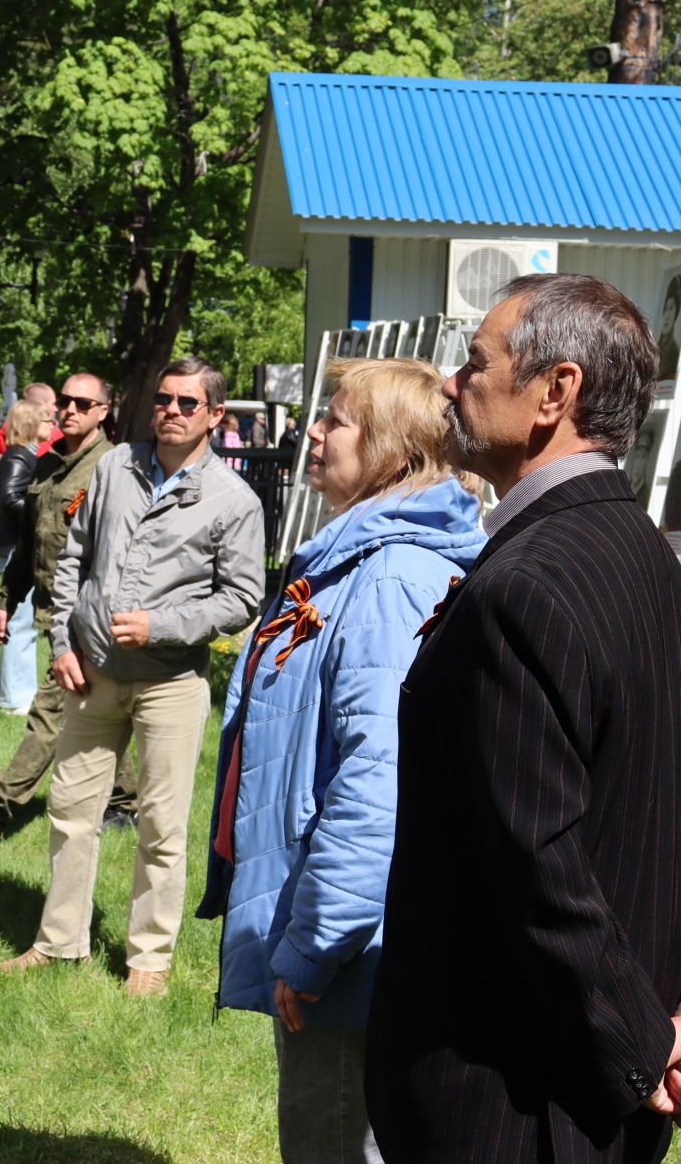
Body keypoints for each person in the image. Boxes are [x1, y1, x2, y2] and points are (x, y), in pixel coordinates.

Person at [366, 273, 681, 1160]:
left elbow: (536, 859)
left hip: (506, 1095)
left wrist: (646, 1036)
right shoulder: (653, 567)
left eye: (476, 363)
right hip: (603, 1088)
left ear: (555, 392)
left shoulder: (523, 587)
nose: (453, 383)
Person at [197, 357, 486, 1164]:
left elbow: (380, 780)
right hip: (338, 935)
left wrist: (318, 945)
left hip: (355, 951)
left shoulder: (391, 578)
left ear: (392, 449)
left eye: (337, 419)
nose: (314, 431)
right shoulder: (355, 560)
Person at [0, 357, 264, 999]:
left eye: (187, 404)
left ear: (214, 417)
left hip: (170, 682)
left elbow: (244, 597)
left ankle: (148, 959)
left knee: (162, 827)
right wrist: (63, 641)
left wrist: (163, 624)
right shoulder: (115, 466)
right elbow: (73, 559)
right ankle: (59, 941)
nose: (171, 411)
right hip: (91, 674)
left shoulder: (235, 500)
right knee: (70, 811)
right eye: (164, 399)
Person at [0, 374, 139, 847]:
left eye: (82, 403)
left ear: (103, 411)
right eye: (64, 401)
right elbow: (31, 541)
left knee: (50, 711)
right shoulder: (48, 464)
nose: (69, 409)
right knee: (93, 706)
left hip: (91, 618)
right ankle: (126, 800)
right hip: (52, 610)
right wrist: (9, 598)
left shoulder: (114, 469)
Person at [0, 399, 54, 714]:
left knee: (22, 621)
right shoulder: (18, 456)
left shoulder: (28, 456)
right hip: (14, 547)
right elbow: (9, 498)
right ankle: (15, 699)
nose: (53, 425)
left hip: (17, 544)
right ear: (31, 424)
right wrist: (42, 514)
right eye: (47, 421)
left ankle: (15, 692)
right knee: (21, 622)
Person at [0, 381, 57, 492]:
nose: (56, 409)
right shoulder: (54, 436)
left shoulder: (0, 434)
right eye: (53, 404)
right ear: (40, 405)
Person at [654, 273, 681, 383]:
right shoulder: (654, 347)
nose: (667, 314)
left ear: (676, 313)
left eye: (671, 308)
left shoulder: (674, 352)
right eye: (666, 308)